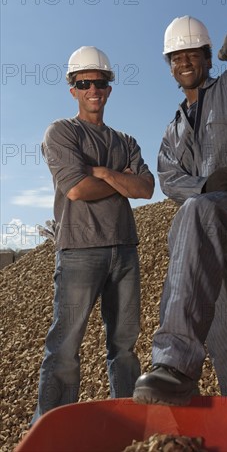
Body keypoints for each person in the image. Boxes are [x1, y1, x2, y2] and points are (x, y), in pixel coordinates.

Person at [133, 16, 227, 406]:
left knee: (196, 213)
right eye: (176, 56)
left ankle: (173, 362)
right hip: (208, 224)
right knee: (221, 318)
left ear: (206, 57)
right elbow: (168, 178)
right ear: (169, 65)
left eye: (192, 54)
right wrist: (203, 186)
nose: (184, 62)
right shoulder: (172, 130)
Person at [31, 46, 154, 424]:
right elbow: (77, 190)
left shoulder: (126, 142)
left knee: (125, 347)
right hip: (79, 250)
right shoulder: (62, 133)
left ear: (109, 88)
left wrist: (102, 173)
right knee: (64, 348)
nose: (93, 89)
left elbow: (147, 187)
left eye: (99, 82)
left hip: (125, 250)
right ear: (73, 90)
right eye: (84, 83)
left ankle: (129, 426)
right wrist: (121, 182)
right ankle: (51, 430)